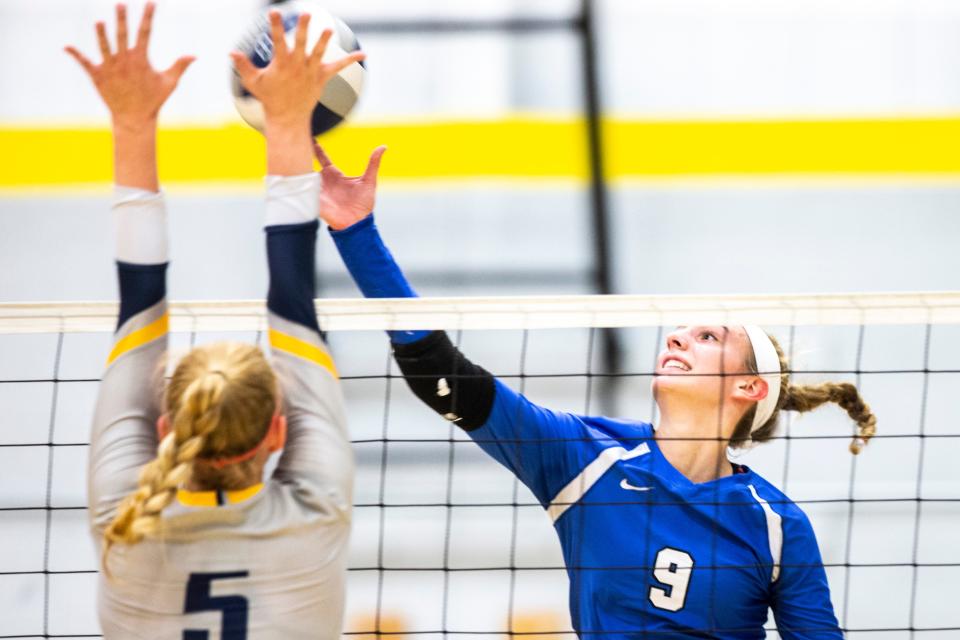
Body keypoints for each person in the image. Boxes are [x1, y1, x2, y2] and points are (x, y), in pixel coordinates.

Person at [311, 143, 877, 639]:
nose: (678, 335)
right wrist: (355, 232)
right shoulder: (586, 458)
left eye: (707, 337)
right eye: (682, 330)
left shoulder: (777, 524)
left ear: (750, 387)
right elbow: (445, 380)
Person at [67, 5, 363, 638]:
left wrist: (280, 122)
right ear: (279, 431)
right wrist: (135, 123)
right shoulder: (119, 515)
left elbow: (291, 303)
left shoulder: (128, 522)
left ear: (169, 426)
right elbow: (141, 301)